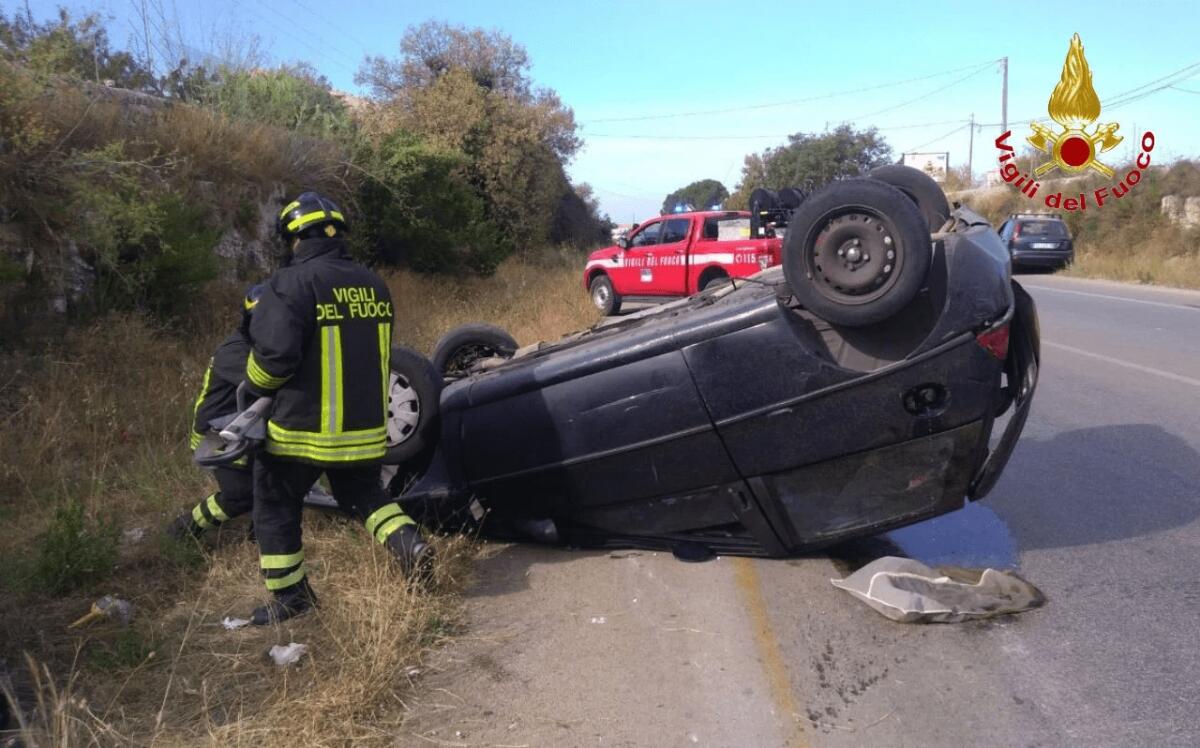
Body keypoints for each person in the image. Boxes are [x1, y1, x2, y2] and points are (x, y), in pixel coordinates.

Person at [243, 191, 431, 625]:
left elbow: (273, 359)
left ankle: (292, 597)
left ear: (293, 238)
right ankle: (410, 545)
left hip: (301, 431)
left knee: (274, 500)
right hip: (365, 427)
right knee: (364, 495)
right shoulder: (374, 283)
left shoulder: (290, 284)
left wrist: (251, 390)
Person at [168, 286, 264, 540]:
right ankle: (185, 530)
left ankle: (260, 534)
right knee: (238, 496)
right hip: (216, 435)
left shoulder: (260, 346)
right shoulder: (234, 351)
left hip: (247, 428)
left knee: (270, 481)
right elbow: (265, 383)